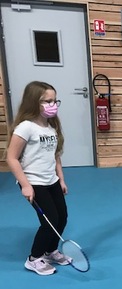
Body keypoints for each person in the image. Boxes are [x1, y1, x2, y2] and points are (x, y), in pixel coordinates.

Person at [5, 81, 72, 275]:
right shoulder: (25, 128)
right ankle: (34, 258)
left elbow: (55, 155)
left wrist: (61, 179)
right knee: (49, 220)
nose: (52, 105)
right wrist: (25, 185)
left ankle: (50, 251)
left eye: (54, 101)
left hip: (51, 181)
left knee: (62, 217)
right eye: (46, 101)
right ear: (33, 102)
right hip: (34, 183)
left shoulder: (51, 127)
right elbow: (12, 157)